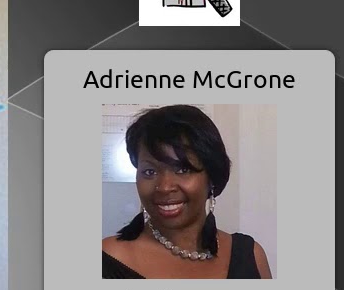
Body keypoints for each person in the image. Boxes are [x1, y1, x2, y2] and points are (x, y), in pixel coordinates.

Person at [102, 105, 272, 279]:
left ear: (211, 177)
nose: (165, 187)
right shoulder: (107, 260)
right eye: (150, 172)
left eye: (183, 170)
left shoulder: (250, 256)